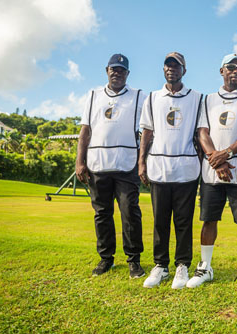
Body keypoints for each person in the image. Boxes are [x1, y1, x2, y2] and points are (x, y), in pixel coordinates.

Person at [186, 53, 237, 295]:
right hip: (213, 171)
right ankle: (205, 267)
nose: (235, 71)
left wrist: (227, 153)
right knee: (208, 220)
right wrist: (216, 159)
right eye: (231, 67)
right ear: (221, 70)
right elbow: (202, 132)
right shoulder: (208, 99)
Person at [76, 54, 146, 278]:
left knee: (130, 213)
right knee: (102, 214)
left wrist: (143, 160)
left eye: (122, 70)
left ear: (127, 74)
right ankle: (106, 259)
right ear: (107, 70)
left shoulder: (139, 96)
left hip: (126, 165)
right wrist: (80, 161)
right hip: (98, 164)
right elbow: (85, 130)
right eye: (113, 69)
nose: (117, 73)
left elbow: (146, 131)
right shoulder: (94, 95)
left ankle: (133, 260)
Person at [139, 52, 203, 289]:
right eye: (168, 66)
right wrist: (141, 163)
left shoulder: (197, 98)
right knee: (160, 220)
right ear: (163, 70)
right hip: (159, 167)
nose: (172, 69)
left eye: (176, 66)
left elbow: (200, 134)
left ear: (184, 70)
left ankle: (182, 265)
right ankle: (160, 266)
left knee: (184, 221)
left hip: (186, 169)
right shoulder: (153, 97)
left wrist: (199, 161)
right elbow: (147, 132)